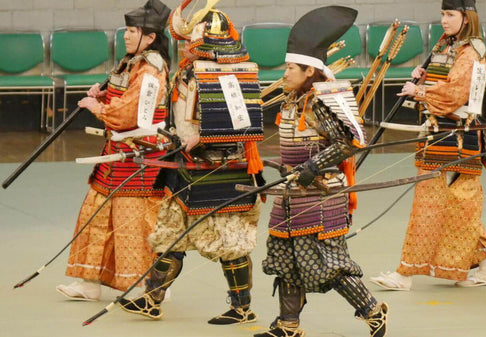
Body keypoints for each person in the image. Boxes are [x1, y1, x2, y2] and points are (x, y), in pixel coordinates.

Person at [118, 0, 265, 324]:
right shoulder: (188, 71)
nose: (185, 48)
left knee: (230, 241)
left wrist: (203, 138)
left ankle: (242, 307)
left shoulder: (231, 76)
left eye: (190, 42)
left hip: (222, 171)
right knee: (171, 233)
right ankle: (151, 298)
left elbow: (242, 127)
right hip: (186, 165)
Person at [254, 6, 388, 337]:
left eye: (290, 68)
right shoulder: (292, 100)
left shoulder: (321, 101)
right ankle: (288, 325)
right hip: (291, 193)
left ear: (308, 71)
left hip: (321, 194)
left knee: (326, 264)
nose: (284, 73)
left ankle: (372, 310)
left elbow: (349, 142)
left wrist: (312, 165)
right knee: (285, 259)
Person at [370, 0, 486, 291]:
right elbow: (445, 81)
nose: (444, 20)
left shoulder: (472, 52)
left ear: (466, 18)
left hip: (457, 137)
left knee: (430, 205)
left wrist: (420, 91)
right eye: (442, 13)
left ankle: (404, 275)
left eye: (450, 14)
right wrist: (426, 78)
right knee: (457, 210)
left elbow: (455, 93)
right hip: (439, 133)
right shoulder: (447, 46)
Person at [55, 0, 171, 300]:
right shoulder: (132, 61)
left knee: (131, 222)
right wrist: (104, 91)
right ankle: (89, 282)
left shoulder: (152, 67)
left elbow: (129, 113)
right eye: (127, 30)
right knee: (95, 213)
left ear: (151, 37)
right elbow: (123, 93)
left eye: (133, 31)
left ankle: (147, 285)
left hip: (141, 157)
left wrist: (97, 105)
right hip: (117, 152)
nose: (126, 36)